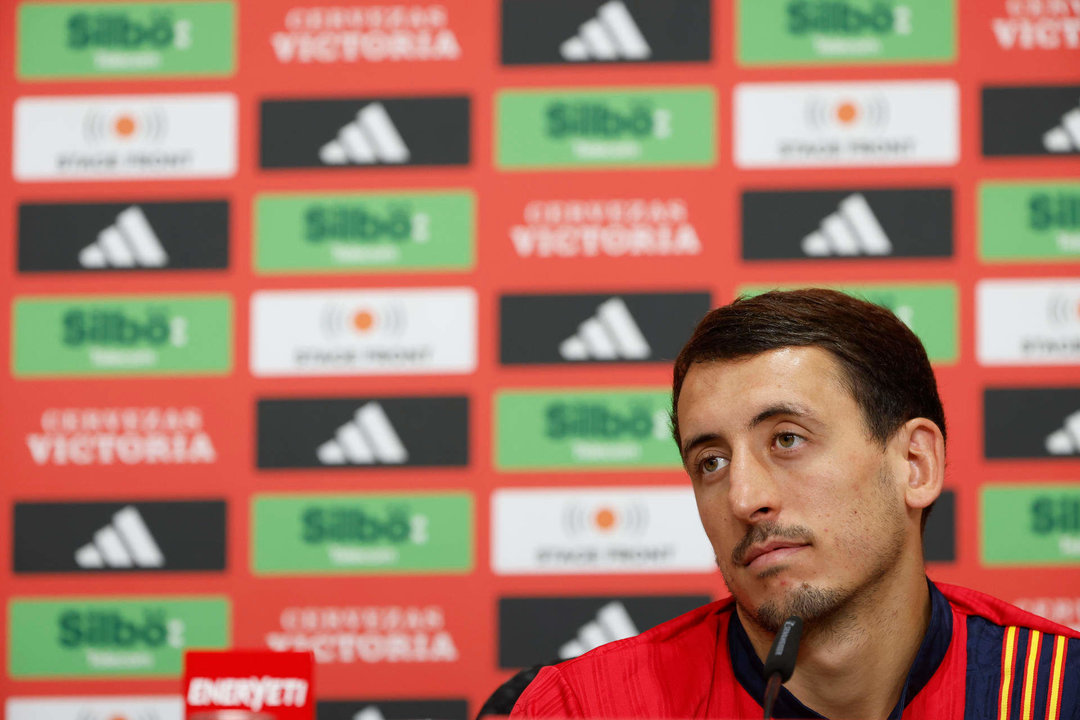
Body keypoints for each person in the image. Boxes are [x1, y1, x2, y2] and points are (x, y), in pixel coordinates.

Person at [511, 288, 1080, 719]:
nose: (744, 498)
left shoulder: (1058, 691)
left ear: (915, 464)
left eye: (788, 439)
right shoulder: (590, 706)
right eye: (711, 461)